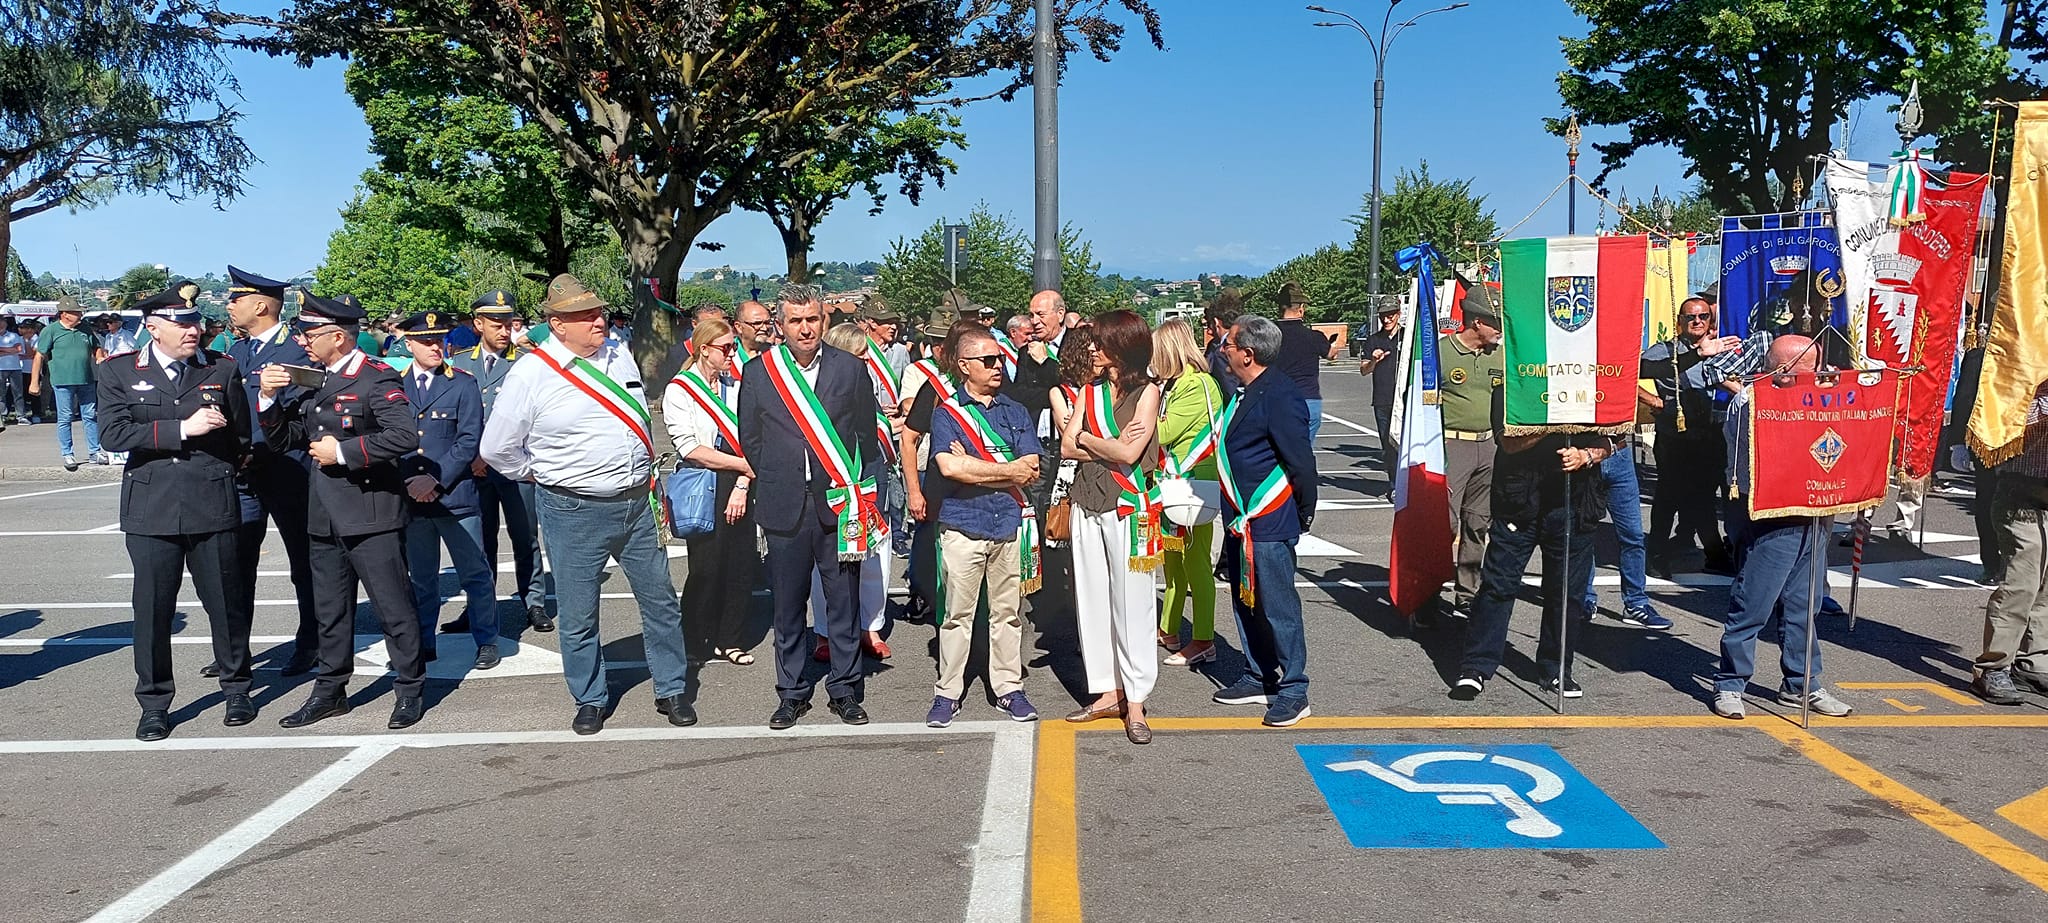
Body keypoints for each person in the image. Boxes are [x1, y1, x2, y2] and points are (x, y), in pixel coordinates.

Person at [479, 275, 693, 734]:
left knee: (660, 602)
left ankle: (671, 687)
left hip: (637, 503)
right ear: (557, 324)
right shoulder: (531, 373)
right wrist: (536, 473)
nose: (600, 320)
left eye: (598, 312)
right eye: (586, 315)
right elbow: (496, 448)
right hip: (572, 509)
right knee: (578, 613)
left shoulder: (620, 354)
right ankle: (590, 696)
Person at [258, 289, 429, 730]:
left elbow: (404, 436)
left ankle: (409, 689)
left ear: (338, 336)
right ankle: (331, 690)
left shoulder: (376, 377)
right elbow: (287, 439)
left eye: (309, 332)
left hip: (370, 512)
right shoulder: (316, 378)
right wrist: (267, 401)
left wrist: (347, 452)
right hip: (323, 513)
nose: (302, 340)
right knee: (330, 611)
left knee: (393, 607)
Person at [100, 286, 256, 741]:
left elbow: (241, 436)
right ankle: (153, 702)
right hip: (152, 506)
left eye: (196, 322)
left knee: (226, 603)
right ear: (153, 327)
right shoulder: (120, 372)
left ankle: (238, 688)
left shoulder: (220, 368)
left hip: (211, 499)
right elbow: (112, 433)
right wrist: (181, 430)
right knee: (152, 609)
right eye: (182, 324)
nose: (195, 330)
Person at [738, 283, 882, 729]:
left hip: (839, 506)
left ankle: (844, 689)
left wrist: (865, 496)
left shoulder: (851, 369)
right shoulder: (761, 372)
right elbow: (751, 439)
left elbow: (865, 435)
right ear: (780, 325)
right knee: (787, 606)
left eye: (813, 320)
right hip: (784, 506)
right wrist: (783, 475)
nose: (805, 329)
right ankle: (792, 692)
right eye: (796, 321)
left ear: (825, 321)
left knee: (843, 602)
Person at [1710, 334, 1853, 719]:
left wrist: (1833, 395)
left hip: (1814, 511)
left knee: (1804, 606)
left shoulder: (1814, 394)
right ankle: (1730, 683)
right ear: (1785, 369)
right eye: (1812, 370)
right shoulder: (1751, 399)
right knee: (1753, 603)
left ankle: (1802, 684)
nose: (1819, 376)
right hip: (1769, 514)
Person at [924, 325, 1045, 726]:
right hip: (962, 525)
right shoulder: (946, 413)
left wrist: (983, 468)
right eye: (988, 360)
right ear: (964, 366)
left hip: (1008, 523)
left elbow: (1031, 468)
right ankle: (948, 692)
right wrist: (1006, 468)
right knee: (957, 615)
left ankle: (1009, 688)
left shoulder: (1015, 410)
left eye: (1000, 359)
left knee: (1008, 613)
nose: (998, 366)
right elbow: (949, 466)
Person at [1449, 426, 1614, 702]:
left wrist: (1586, 455)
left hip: (1575, 501)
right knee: (1497, 586)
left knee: (1566, 592)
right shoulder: (1513, 383)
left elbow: (1615, 438)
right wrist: (1552, 425)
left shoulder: (1592, 382)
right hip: (1518, 500)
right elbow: (1507, 442)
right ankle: (1476, 665)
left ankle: (1556, 667)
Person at [1208, 315, 1318, 726]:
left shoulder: (1279, 395)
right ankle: (1260, 674)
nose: (1223, 350)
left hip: (1269, 518)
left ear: (1247, 354)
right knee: (1245, 600)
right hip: (1242, 518)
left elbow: (1301, 462)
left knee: (1278, 605)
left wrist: (1303, 512)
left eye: (1228, 345)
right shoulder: (1244, 391)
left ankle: (1293, 688)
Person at [1061, 309, 1162, 745]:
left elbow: (1129, 454)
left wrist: (1088, 439)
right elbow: (1068, 444)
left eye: (1099, 342)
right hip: (1087, 503)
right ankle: (1106, 690)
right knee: (1093, 597)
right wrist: (1095, 443)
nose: (1092, 349)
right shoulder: (1090, 390)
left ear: (1122, 345)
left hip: (1129, 507)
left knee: (1133, 600)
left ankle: (1135, 699)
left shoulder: (1148, 393)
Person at [222, 267, 322, 677]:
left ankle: (311, 642)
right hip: (245, 474)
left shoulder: (297, 353)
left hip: (288, 471)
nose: (230, 305)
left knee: (305, 562)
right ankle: (235, 651)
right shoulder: (238, 352)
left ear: (260, 305)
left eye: (236, 299)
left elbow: (298, 417)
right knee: (237, 562)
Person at [394, 310, 499, 670]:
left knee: (474, 573)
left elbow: (469, 439)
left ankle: (486, 639)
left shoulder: (463, 383)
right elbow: (392, 438)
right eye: (425, 341)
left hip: (455, 496)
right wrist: (411, 480)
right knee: (422, 578)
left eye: (438, 340)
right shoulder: (394, 383)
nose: (434, 347)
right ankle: (424, 641)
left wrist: (435, 481)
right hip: (413, 498)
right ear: (408, 344)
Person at [449, 290, 553, 634]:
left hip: (516, 465)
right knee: (480, 541)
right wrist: (473, 457)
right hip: (476, 469)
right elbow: (457, 417)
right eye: (496, 323)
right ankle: (478, 605)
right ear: (478, 324)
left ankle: (534, 602)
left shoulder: (526, 361)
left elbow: (537, 416)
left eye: (508, 322)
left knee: (526, 538)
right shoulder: (461, 363)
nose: (504, 330)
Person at [664, 317, 760, 666]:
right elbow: (690, 448)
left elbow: (751, 438)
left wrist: (743, 481)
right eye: (725, 348)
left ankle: (730, 639)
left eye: (734, 347)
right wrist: (742, 467)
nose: (732, 354)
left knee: (740, 565)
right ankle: (694, 640)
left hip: (739, 480)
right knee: (706, 568)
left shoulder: (736, 386)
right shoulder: (679, 390)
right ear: (704, 350)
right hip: (703, 482)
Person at [807, 322, 896, 661]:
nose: (868, 361)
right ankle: (825, 632)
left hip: (870, 472)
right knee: (828, 558)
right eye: (860, 355)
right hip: (831, 476)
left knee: (875, 552)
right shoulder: (818, 387)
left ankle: (870, 627)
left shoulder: (866, 383)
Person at [1639, 297, 1737, 576]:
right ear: (1679, 322)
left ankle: (1714, 554)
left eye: (1703, 317)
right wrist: (1653, 401)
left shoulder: (1719, 348)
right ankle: (1656, 555)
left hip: (1711, 432)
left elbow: (1729, 378)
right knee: (1668, 497)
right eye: (1690, 317)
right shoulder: (1665, 350)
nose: (1697, 322)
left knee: (1704, 496)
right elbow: (1635, 372)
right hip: (1675, 436)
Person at [1150, 319, 1223, 666]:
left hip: (1194, 484)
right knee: (1173, 562)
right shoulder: (1176, 384)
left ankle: (1204, 638)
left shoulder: (1197, 385)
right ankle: (1169, 628)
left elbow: (1164, 431)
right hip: (1174, 482)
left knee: (1196, 567)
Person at [1971, 381, 2048, 704]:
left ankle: (2034, 661)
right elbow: (2008, 430)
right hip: (2021, 496)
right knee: (2023, 582)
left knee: (2045, 586)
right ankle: (1994, 665)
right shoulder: (2026, 380)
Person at [1438, 291, 1505, 619]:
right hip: (1452, 446)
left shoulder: (1499, 356)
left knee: (1478, 523)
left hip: (1488, 446)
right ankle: (1428, 592)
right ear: (1477, 322)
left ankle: (1467, 595)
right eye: (1495, 322)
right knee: (1445, 525)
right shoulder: (1441, 353)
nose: (1499, 329)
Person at [28, 295, 107, 469]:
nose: (80, 314)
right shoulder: (51, 331)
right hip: (62, 381)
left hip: (86, 379)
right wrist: (34, 382)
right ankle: (68, 453)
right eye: (76, 312)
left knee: (90, 415)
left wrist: (100, 356)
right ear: (64, 314)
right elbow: (39, 356)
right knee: (65, 417)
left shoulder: (85, 328)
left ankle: (95, 451)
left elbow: (96, 347)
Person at [1272, 282, 1335, 440]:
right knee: (1304, 451)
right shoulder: (1315, 337)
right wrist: (1332, 345)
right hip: (1309, 400)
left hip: (1279, 400)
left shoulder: (1269, 335)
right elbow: (1330, 355)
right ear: (1301, 308)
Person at [1355, 303, 1403, 489]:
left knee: (1405, 444)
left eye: (1391, 315)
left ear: (1398, 314)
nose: (1386, 319)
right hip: (1382, 400)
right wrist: (1374, 361)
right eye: (1383, 315)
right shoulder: (1374, 340)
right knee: (1388, 446)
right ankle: (1394, 485)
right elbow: (1363, 370)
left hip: (1404, 399)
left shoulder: (1407, 336)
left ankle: (1407, 484)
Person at [1202, 292, 1244, 395]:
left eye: (1209, 324)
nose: (1208, 331)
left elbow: (1230, 392)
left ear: (1216, 323)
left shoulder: (1221, 353)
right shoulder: (1251, 342)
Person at [0, 313, 27, 425]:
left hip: (15, 367)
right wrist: (11, 349)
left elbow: (19, 349)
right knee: (1, 393)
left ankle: (21, 415)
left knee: (18, 393)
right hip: (1, 368)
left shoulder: (14, 336)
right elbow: (15, 349)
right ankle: (2, 415)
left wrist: (2, 350)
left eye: (2, 323)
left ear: (6, 324)